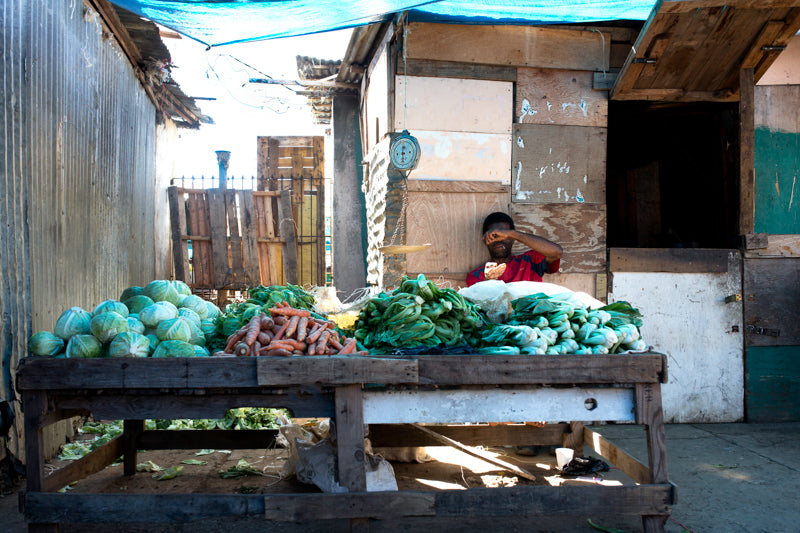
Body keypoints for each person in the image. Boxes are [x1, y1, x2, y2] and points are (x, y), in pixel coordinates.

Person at [466, 212, 562, 287]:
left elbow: (556, 252)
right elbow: (482, 302)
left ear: (513, 239)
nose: (500, 240)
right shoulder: (476, 276)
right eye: (494, 236)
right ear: (484, 239)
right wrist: (489, 280)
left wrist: (511, 234)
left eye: (503, 235)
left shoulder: (530, 260)